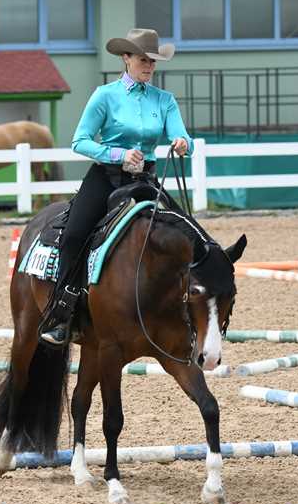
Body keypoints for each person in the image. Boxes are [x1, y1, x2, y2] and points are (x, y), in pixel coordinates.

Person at [39, 28, 193, 346]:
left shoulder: (164, 100)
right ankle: (62, 315)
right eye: (143, 60)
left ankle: (184, 306)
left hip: (145, 180)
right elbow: (80, 141)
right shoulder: (104, 96)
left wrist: (182, 142)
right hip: (106, 178)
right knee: (74, 235)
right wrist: (118, 155)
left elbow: (182, 136)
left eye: (153, 61)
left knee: (187, 233)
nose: (149, 66)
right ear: (126, 58)